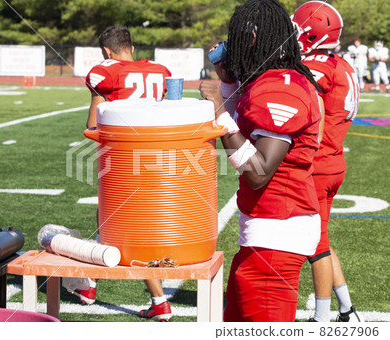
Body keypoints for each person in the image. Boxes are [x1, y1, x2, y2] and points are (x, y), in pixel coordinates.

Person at [199, 0, 322, 322]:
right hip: (265, 230)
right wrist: (226, 81)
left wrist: (217, 110)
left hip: (277, 232)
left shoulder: (280, 89)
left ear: (252, 39)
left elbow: (258, 171)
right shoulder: (271, 79)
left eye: (237, 37)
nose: (231, 45)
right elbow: (246, 119)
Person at [67, 25, 173, 322]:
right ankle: (89, 286)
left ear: (106, 52)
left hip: (123, 163)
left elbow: (91, 126)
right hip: (154, 157)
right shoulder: (160, 71)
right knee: (108, 222)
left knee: (126, 231)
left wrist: (99, 102)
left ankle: (160, 302)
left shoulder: (106, 74)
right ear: (133, 48)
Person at [293, 1, 361, 322]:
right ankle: (346, 309)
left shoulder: (319, 65)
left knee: (314, 245)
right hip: (335, 163)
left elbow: (314, 116)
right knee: (322, 238)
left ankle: (321, 319)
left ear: (312, 32)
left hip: (317, 165)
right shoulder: (343, 64)